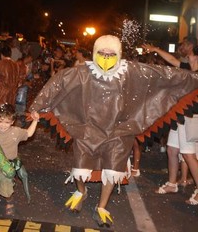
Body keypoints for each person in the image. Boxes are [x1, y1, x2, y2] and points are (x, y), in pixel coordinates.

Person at [30, 34, 198, 227]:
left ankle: (102, 206)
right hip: (88, 129)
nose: (106, 57)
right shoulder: (82, 72)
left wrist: (194, 79)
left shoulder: (132, 71)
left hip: (119, 131)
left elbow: (166, 76)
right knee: (80, 165)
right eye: (102, 53)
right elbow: (58, 83)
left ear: (118, 54)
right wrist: (37, 106)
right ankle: (81, 191)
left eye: (111, 53)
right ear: (95, 53)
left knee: (112, 170)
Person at [142, 40, 198, 205]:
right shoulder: (189, 63)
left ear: (193, 47)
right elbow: (173, 61)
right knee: (172, 149)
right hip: (181, 113)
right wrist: (155, 48)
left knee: (188, 154)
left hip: (192, 114)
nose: (181, 47)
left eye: (185, 45)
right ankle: (172, 184)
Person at [0, 103, 40, 225]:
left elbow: (29, 134)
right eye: (0, 121)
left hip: (9, 168)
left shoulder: (16, 132)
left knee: (7, 190)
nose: (3, 125)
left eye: (7, 122)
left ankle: (9, 201)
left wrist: (35, 120)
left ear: (12, 122)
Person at [0, 45, 21, 110]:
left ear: (1, 54)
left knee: (0, 113)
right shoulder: (16, 65)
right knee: (8, 112)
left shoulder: (0, 63)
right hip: (12, 94)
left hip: (1, 94)